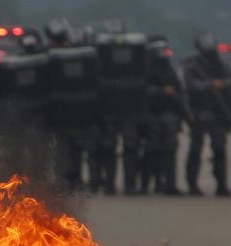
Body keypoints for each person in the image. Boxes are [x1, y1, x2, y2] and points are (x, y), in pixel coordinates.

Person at [46, 20, 101, 192]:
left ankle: (71, 181)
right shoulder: (88, 59)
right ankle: (78, 181)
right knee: (72, 150)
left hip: (70, 113)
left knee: (70, 150)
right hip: (78, 113)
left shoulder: (54, 58)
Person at [95, 27, 149, 195]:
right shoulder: (136, 67)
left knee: (121, 148)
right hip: (122, 113)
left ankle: (118, 185)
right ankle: (124, 185)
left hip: (121, 113)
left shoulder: (105, 66)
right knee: (122, 147)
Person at [141, 36, 192, 195]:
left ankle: (169, 185)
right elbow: (141, 91)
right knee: (151, 151)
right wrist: (161, 91)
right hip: (151, 115)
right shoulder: (144, 69)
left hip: (170, 115)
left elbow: (179, 93)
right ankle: (145, 186)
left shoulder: (170, 69)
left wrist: (185, 114)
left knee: (169, 152)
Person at [184, 33, 231, 196]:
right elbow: (190, 85)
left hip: (219, 112)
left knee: (219, 148)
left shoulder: (221, 63)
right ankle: (192, 184)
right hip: (198, 111)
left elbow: (228, 80)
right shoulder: (192, 64)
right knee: (195, 149)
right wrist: (210, 85)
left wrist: (221, 84)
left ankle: (222, 185)